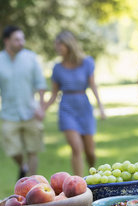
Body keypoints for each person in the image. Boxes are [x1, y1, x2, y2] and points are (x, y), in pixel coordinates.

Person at [44, 30, 105, 177]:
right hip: (66, 108)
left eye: (60, 44)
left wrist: (101, 107)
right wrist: (43, 109)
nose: (57, 48)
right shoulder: (57, 68)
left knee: (90, 152)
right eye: (56, 45)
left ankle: (92, 173)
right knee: (76, 148)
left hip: (84, 106)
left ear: (69, 44)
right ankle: (79, 184)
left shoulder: (87, 62)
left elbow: (93, 85)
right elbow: (54, 94)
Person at [0, 25, 46, 179]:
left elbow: (40, 83)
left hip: (30, 111)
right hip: (9, 113)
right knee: (13, 151)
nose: (21, 42)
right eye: (17, 39)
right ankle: (22, 165)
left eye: (22, 39)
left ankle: (33, 182)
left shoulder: (31, 58)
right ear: (7, 41)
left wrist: (41, 106)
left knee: (33, 149)